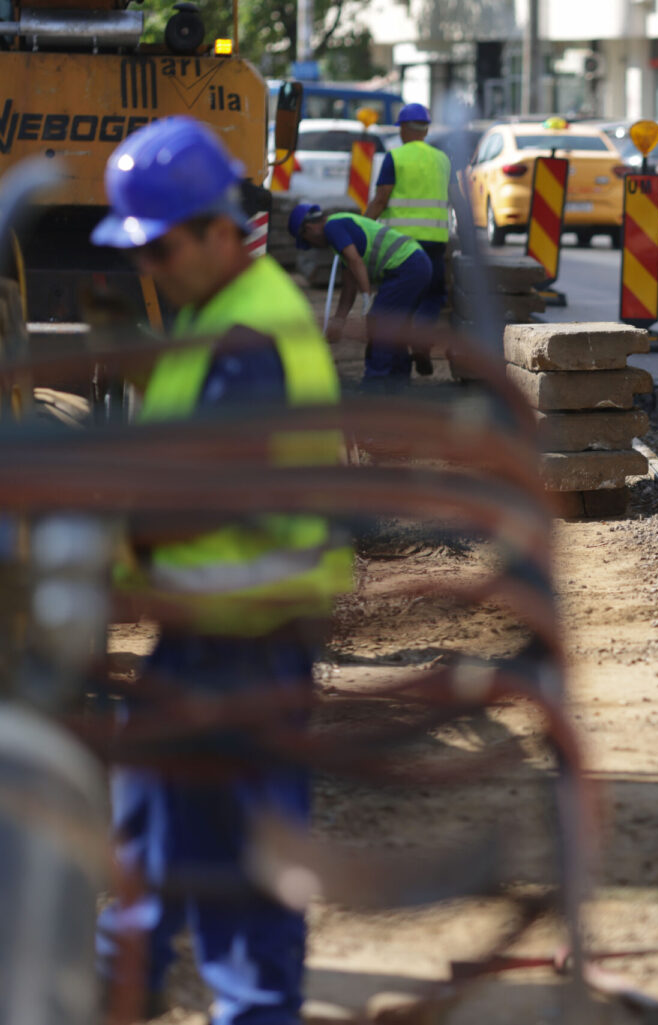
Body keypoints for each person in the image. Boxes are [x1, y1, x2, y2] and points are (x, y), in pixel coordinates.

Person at [90, 117, 352, 1025]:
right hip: (201, 641)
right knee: (143, 862)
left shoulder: (248, 335)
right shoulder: (214, 313)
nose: (146, 268)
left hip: (247, 653)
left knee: (238, 892)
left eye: (157, 248)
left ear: (213, 230)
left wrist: (87, 523)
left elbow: (207, 494)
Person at [288, 203, 430, 390]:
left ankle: (374, 385)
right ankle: (398, 383)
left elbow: (356, 262)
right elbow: (349, 286)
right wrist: (338, 320)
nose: (313, 246)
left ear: (309, 228)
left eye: (307, 241)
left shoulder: (332, 227)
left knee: (379, 323)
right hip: (416, 264)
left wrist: (367, 298)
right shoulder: (342, 234)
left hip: (408, 266)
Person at [365, 102, 451, 378]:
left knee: (399, 303)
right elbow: (458, 200)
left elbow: (381, 198)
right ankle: (422, 342)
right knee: (431, 297)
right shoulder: (443, 159)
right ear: (425, 129)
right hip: (436, 242)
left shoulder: (395, 157)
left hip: (402, 247)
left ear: (403, 128)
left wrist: (362, 225)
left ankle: (393, 363)